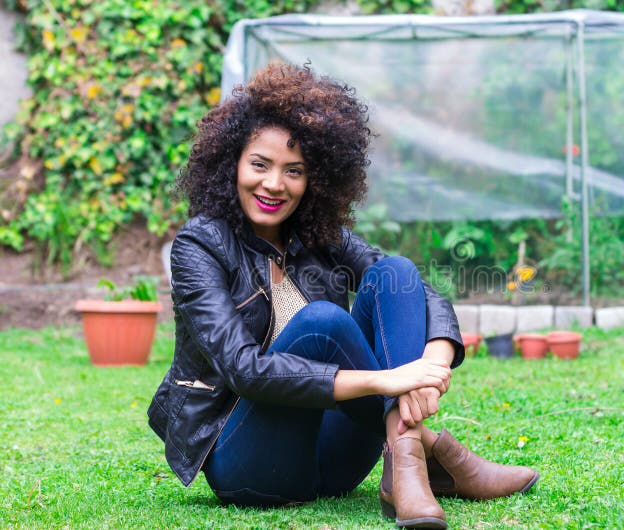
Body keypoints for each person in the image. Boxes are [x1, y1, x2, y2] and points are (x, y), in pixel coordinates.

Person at [147, 63, 539, 529]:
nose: (275, 184)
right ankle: (432, 455)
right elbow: (245, 370)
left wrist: (430, 362)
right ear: (230, 160)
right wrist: (386, 381)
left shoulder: (318, 235)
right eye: (260, 164)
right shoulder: (201, 244)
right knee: (323, 324)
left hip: (335, 464)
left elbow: (411, 287)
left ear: (316, 179)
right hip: (248, 460)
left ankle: (405, 459)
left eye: (294, 171)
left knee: (395, 270)